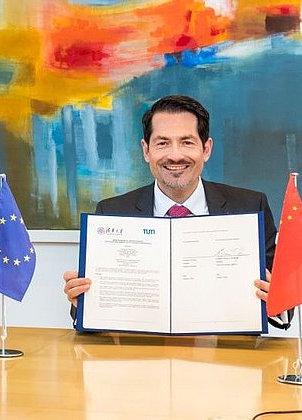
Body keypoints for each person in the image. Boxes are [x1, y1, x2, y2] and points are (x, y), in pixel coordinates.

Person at [63, 95, 291, 329]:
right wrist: (81, 300)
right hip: (141, 357)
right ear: (146, 151)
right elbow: (94, 308)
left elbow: (282, 306)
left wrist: (278, 298)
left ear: (206, 149)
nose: (175, 155)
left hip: (230, 354)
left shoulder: (250, 206)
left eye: (187, 142)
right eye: (162, 143)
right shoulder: (112, 212)